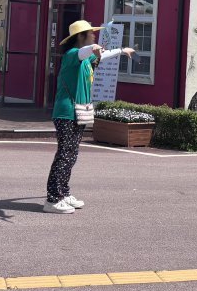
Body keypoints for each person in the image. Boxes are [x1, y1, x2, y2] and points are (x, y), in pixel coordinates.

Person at [45, 20, 135, 214]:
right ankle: (52, 199)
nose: (94, 35)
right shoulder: (72, 55)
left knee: (72, 155)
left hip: (80, 110)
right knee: (64, 154)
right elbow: (84, 52)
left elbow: (102, 54)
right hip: (66, 112)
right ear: (81, 36)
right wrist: (92, 48)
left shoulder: (87, 59)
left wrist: (122, 50)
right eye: (91, 33)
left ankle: (64, 193)